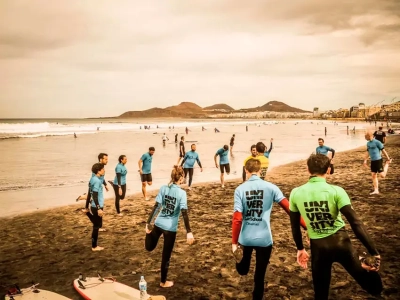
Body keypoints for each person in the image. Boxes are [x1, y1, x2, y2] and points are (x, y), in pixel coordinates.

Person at [289, 154, 383, 300]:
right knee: (374, 287)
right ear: (328, 170)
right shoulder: (337, 191)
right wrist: (373, 251)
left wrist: (300, 249)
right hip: (342, 245)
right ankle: (368, 269)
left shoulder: (296, 193)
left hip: (319, 248)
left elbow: (294, 226)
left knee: (321, 293)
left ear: (308, 170)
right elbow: (355, 222)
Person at [232, 159, 306, 300]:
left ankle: (242, 264)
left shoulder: (239, 189)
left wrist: (234, 243)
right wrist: (306, 227)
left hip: (245, 238)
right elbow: (290, 209)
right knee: (259, 276)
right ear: (260, 171)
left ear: (246, 171)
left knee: (242, 270)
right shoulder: (271, 187)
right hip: (264, 239)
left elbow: (237, 218)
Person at [145, 165, 194, 288]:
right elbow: (184, 213)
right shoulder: (182, 193)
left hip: (158, 223)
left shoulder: (163, 188)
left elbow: (156, 206)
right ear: (181, 178)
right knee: (165, 256)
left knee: (150, 247)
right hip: (170, 229)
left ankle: (147, 234)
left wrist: (148, 223)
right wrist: (189, 231)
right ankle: (163, 282)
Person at [89, 163, 106, 251]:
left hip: (95, 205)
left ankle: (87, 212)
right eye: (103, 169)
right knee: (96, 226)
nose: (104, 170)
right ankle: (94, 246)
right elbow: (94, 195)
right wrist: (99, 208)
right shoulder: (96, 181)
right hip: (96, 206)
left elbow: (89, 192)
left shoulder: (92, 179)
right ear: (98, 171)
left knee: (97, 225)